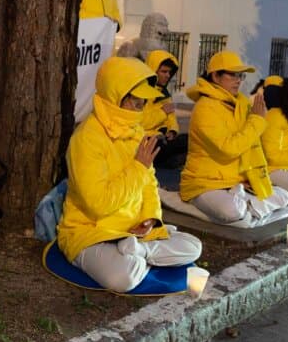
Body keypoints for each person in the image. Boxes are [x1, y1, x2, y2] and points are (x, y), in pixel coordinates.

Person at [57, 57, 201, 292]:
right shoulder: (87, 138)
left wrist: (150, 220)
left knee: (194, 246)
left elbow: (149, 185)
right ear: (116, 96)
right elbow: (98, 205)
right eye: (136, 102)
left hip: (133, 231)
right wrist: (137, 167)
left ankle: (140, 251)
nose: (141, 109)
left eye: (144, 103)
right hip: (91, 232)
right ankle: (137, 254)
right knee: (123, 278)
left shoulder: (136, 132)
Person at [180, 51, 288, 223]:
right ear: (215, 76)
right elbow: (229, 149)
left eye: (241, 75)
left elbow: (250, 145)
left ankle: (246, 204)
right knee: (232, 211)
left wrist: (250, 178)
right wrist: (256, 121)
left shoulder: (240, 103)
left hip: (235, 181)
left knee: (283, 195)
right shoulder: (205, 108)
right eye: (233, 75)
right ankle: (244, 206)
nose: (238, 80)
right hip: (205, 183)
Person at [143, 50, 188, 168]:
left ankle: (167, 162)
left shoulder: (164, 93)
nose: (168, 75)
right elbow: (142, 122)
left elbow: (171, 118)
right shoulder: (142, 93)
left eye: (169, 72)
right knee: (182, 145)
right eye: (164, 71)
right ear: (153, 71)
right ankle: (166, 162)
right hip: (147, 140)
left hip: (162, 138)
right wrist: (162, 112)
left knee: (188, 139)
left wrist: (172, 131)